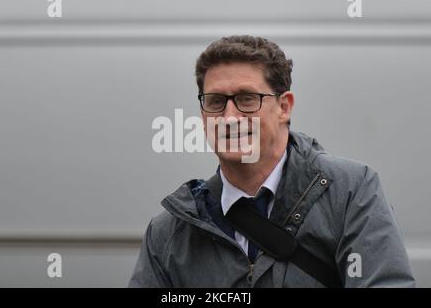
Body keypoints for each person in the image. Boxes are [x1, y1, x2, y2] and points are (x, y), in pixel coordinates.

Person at [129, 35, 415, 287]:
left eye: (247, 99)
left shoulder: (351, 193)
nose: (229, 118)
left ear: (284, 107)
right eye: (216, 101)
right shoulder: (170, 232)